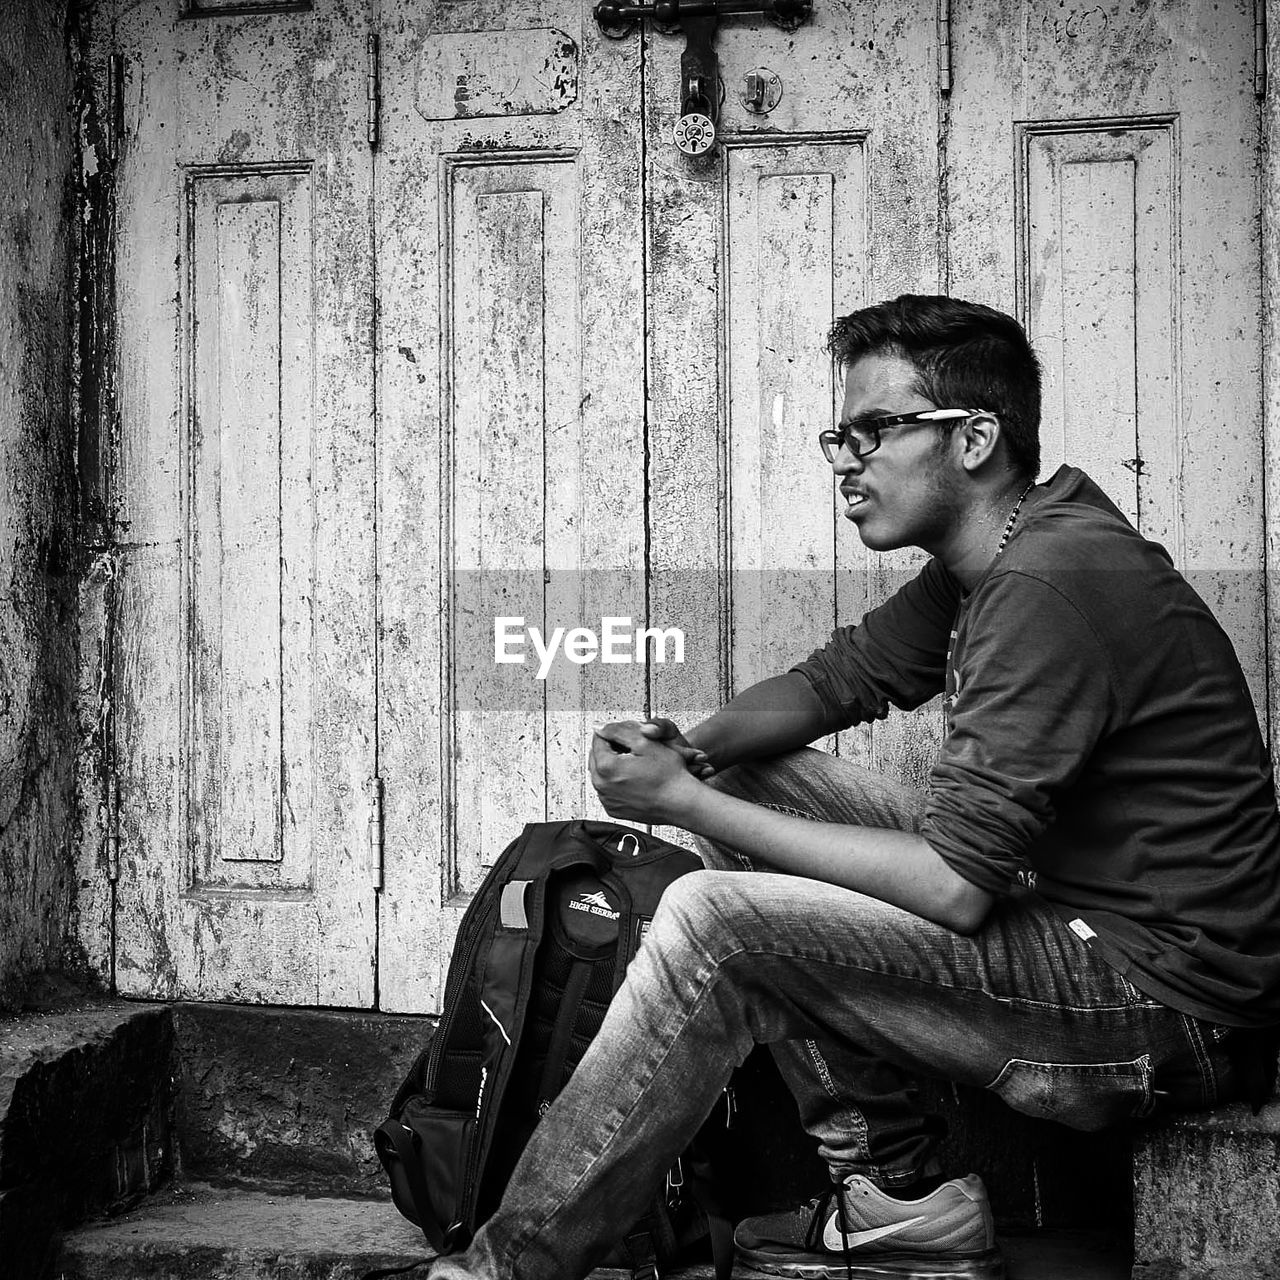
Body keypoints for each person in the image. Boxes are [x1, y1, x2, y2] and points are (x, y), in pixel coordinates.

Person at [429, 295, 1280, 1280]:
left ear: (971, 438)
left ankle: (502, 1269)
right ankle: (897, 1194)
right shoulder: (1006, 554)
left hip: (1160, 1009)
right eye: (838, 433)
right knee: (755, 772)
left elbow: (955, 883)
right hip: (1081, 926)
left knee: (715, 919)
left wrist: (685, 803)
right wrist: (692, 752)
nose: (843, 458)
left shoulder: (1047, 583)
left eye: (872, 430)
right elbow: (838, 681)